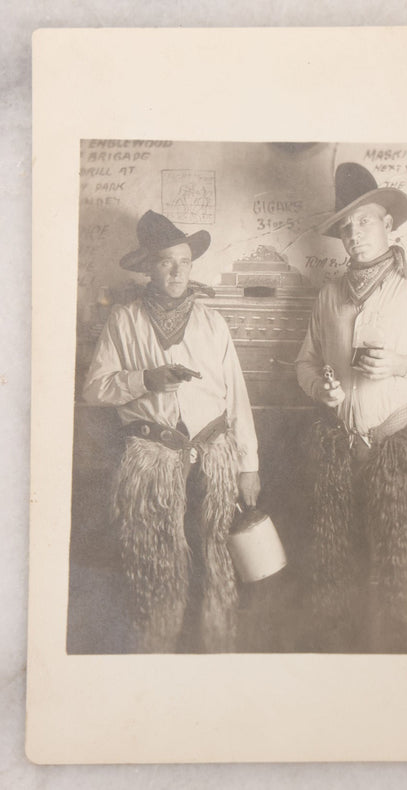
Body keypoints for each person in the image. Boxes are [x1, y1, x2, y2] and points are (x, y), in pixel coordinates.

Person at [83, 210, 260, 653]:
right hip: (154, 463)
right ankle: (158, 650)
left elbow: (237, 398)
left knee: (212, 558)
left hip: (213, 461)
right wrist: (145, 380)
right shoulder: (124, 320)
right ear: (149, 267)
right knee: (157, 565)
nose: (178, 272)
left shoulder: (211, 322)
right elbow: (94, 390)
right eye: (166, 262)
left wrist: (249, 467)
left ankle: (213, 646)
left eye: (185, 261)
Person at [295, 163, 407, 653]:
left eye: (364, 221)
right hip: (341, 456)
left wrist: (403, 364)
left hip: (403, 452)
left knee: (405, 580)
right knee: (344, 578)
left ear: (388, 224)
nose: (354, 234)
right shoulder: (329, 296)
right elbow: (305, 363)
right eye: (346, 227)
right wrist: (321, 390)